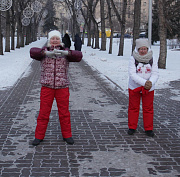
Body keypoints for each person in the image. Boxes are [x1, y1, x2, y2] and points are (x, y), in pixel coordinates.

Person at [30, 30, 83, 146]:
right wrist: (45, 54)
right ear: (49, 40)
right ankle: (39, 136)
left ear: (60, 40)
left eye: (57, 38)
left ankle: (67, 135)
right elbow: (32, 52)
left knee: (64, 113)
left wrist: (66, 54)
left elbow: (79, 56)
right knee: (44, 113)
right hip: (47, 87)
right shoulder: (44, 51)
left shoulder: (65, 51)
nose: (55, 41)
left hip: (62, 87)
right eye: (52, 38)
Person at [128, 38, 159, 137]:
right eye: (141, 49)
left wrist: (150, 83)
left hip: (149, 88)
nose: (143, 51)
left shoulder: (152, 58)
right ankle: (132, 127)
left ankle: (148, 128)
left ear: (147, 48)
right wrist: (144, 82)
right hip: (134, 87)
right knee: (133, 107)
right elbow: (132, 74)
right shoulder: (133, 58)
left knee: (148, 108)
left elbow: (155, 73)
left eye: (145, 49)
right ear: (138, 49)